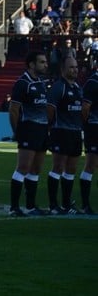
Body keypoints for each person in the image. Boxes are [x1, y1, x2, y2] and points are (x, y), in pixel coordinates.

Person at [8, 52, 51, 217]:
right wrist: (17, 131)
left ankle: (31, 206)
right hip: (28, 129)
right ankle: (14, 207)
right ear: (32, 64)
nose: (45, 65)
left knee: (36, 168)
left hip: (41, 130)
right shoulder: (22, 83)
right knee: (23, 167)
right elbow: (13, 110)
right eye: (42, 62)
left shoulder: (41, 83)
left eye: (46, 61)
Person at [46, 56, 84, 214]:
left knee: (71, 169)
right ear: (63, 70)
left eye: (76, 67)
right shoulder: (58, 87)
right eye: (71, 67)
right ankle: (54, 205)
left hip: (75, 133)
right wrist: (49, 128)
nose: (74, 70)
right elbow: (50, 109)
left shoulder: (77, 87)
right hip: (60, 131)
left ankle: (67, 204)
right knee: (58, 167)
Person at [81, 66, 98, 214]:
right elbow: (85, 107)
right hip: (94, 128)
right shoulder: (93, 82)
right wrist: (86, 125)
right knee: (91, 164)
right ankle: (85, 204)